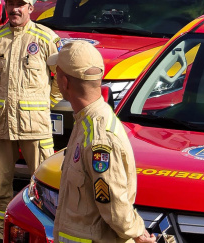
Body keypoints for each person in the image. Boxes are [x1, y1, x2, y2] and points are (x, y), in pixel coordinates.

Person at [50, 41, 156, 243]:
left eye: (57, 74)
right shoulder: (86, 122)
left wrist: (136, 233)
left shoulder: (99, 137)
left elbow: (114, 203)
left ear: (64, 82)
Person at [0, 0, 60, 243]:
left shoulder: (47, 39)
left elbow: (59, 81)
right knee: (0, 185)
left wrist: (42, 104)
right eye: (11, 3)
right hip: (1, 123)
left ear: (30, 8)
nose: (15, 9)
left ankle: (44, 234)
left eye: (20, 4)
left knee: (45, 186)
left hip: (34, 126)